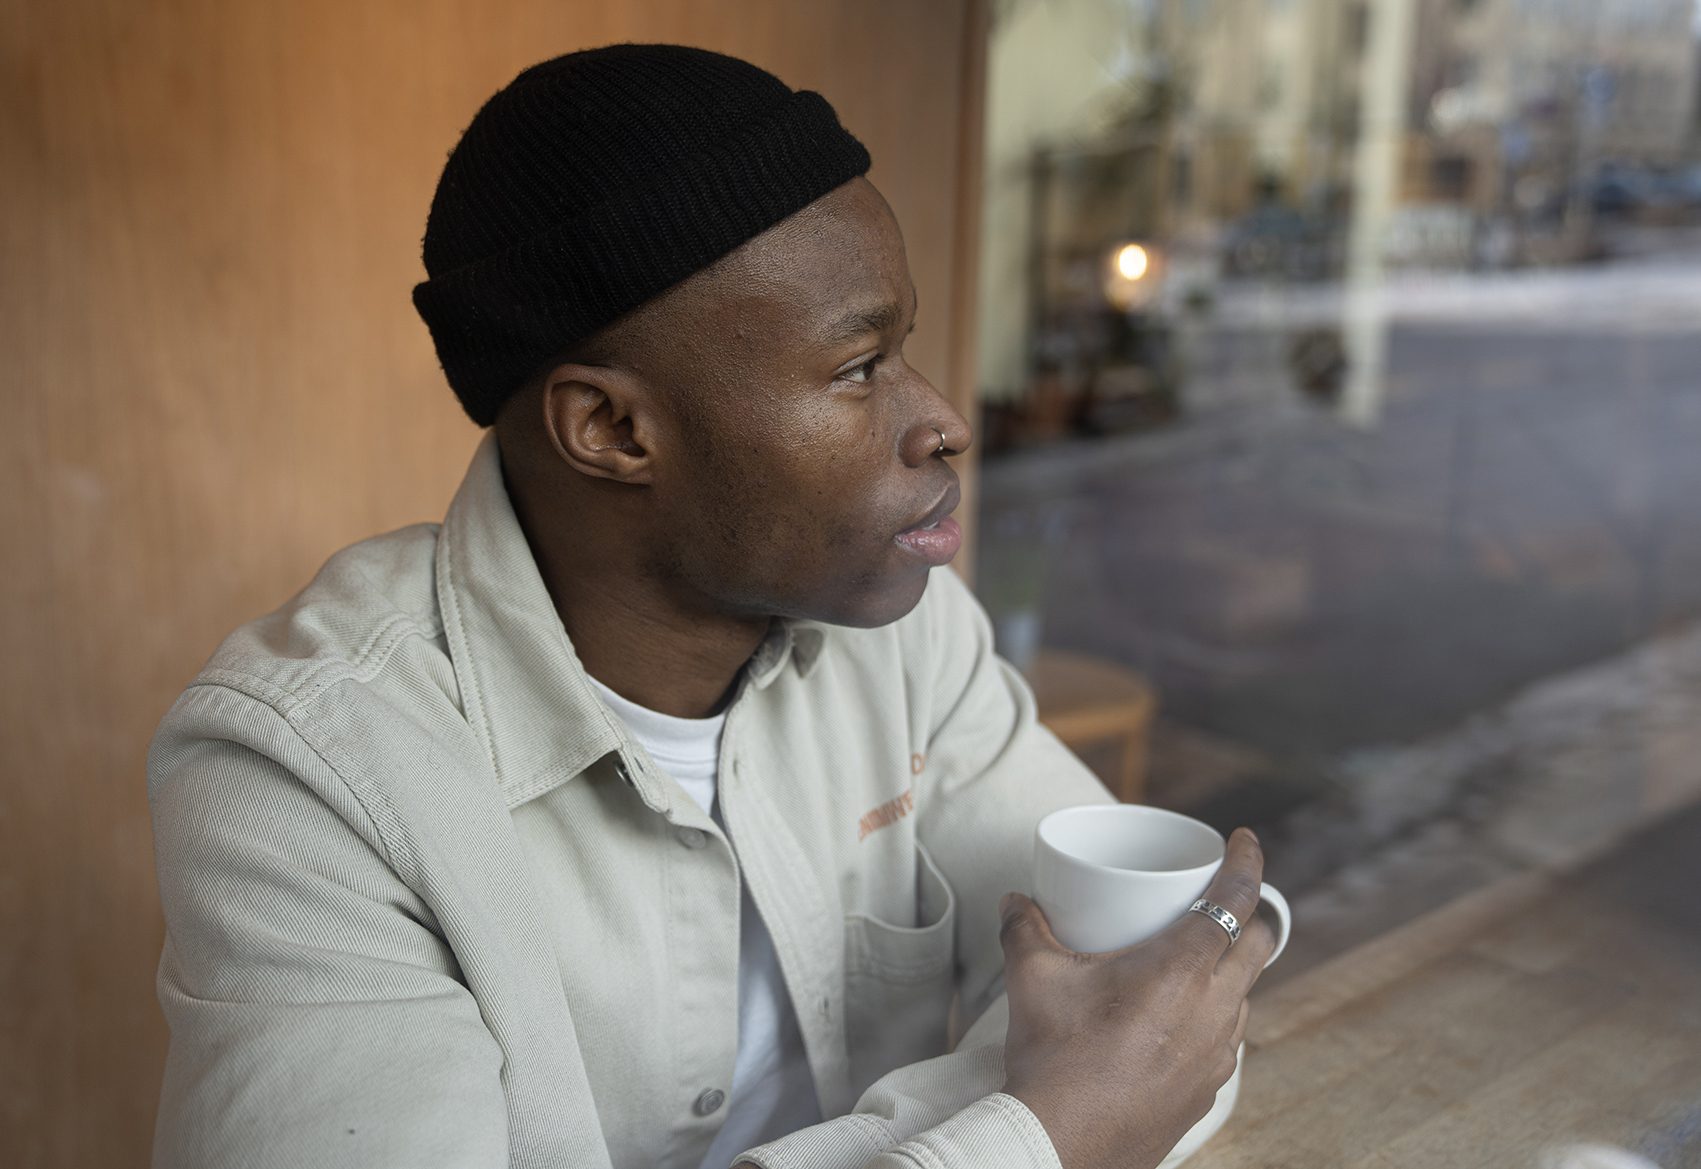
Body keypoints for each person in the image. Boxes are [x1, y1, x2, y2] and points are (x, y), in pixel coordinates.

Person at [146, 44, 1274, 1169]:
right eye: (857, 366)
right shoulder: (304, 770)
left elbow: (1165, 1025)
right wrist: (1045, 1128)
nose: (940, 419)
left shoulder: (902, 631)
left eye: (907, 349)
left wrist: (1076, 1103)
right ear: (615, 431)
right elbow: (1110, 1095)